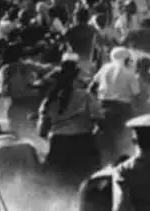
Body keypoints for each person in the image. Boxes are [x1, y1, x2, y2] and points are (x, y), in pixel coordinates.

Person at [38, 59, 102, 191]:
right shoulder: (85, 96)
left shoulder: (49, 99)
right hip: (83, 142)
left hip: (58, 144)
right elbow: (98, 119)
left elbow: (42, 130)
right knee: (91, 179)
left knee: (56, 183)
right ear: (76, 75)